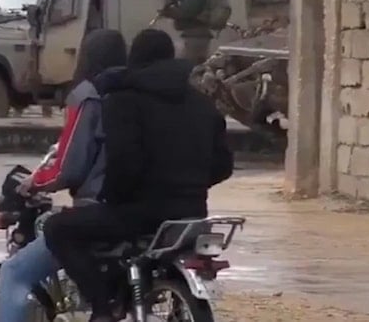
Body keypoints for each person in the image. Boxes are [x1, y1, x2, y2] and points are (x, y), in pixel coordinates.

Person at [42, 29, 234, 322]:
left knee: (58, 228)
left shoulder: (123, 100)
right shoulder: (202, 104)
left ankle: (103, 309)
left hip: (140, 213)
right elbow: (223, 165)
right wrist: (188, 184)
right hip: (191, 215)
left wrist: (113, 198)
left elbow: (123, 162)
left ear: (136, 58)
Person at [0, 29, 128, 322]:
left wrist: (37, 182)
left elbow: (70, 164)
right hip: (139, 206)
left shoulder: (87, 95)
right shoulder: (134, 93)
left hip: (98, 206)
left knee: (14, 271)